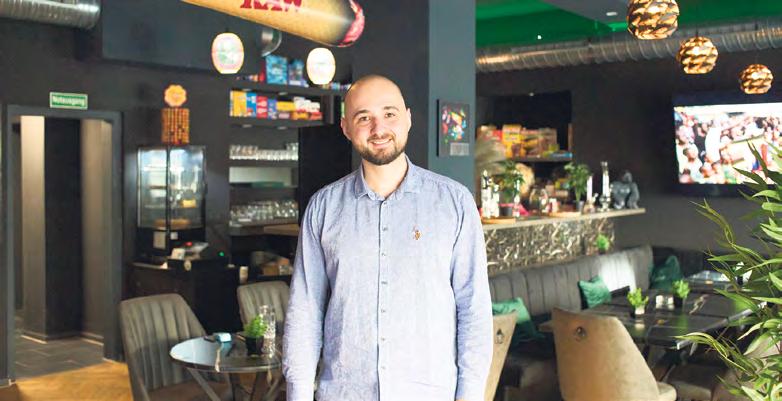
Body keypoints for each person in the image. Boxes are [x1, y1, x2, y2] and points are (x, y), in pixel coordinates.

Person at [282, 74, 493, 401]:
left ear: (407, 118)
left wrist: (470, 395)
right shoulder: (323, 208)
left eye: (389, 114)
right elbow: (304, 312)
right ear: (346, 128)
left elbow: (473, 309)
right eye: (363, 118)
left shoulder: (454, 203)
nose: (378, 128)